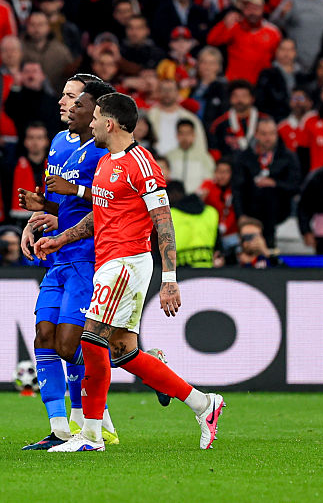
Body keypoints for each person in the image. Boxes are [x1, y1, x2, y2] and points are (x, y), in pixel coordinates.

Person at [34, 92, 225, 452]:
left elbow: (163, 222)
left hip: (127, 262)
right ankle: (204, 404)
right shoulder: (107, 162)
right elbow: (100, 214)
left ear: (109, 123)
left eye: (95, 119)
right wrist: (60, 239)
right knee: (123, 351)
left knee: (90, 339)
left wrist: (170, 280)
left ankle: (90, 435)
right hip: (109, 261)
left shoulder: (143, 165)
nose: (89, 123)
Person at [17, 77, 118, 449]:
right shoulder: (59, 144)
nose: (64, 103)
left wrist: (70, 196)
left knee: (68, 343)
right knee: (44, 334)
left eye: (72, 98)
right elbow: (59, 204)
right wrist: (37, 214)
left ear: (95, 107)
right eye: (63, 96)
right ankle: (61, 427)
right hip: (57, 253)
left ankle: (125, 363)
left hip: (88, 254)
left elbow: (110, 203)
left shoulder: (106, 150)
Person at [232, 117, 302, 246]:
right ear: (256, 134)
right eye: (264, 134)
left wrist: (275, 183)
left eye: (271, 133)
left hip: (280, 211)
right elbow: (237, 189)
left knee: (269, 193)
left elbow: (295, 186)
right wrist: (240, 215)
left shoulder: (289, 157)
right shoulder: (243, 157)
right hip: (250, 211)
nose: (268, 138)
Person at [166, 119, 216, 193]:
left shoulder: (204, 156)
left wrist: (200, 194)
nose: (185, 137)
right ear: (177, 135)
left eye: (188, 133)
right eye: (181, 133)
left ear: (194, 135)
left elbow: (210, 178)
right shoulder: (169, 156)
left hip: (195, 199)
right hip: (174, 198)